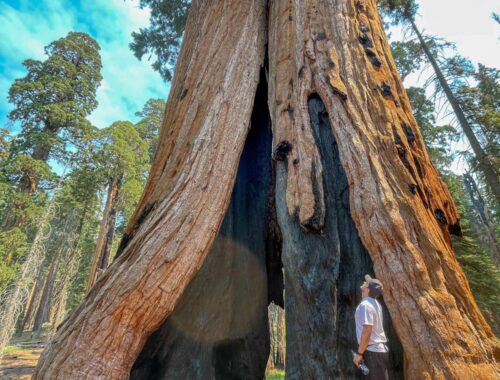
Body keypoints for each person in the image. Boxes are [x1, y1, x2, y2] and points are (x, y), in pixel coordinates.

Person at [353, 274, 389, 379]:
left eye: (366, 283)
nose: (364, 283)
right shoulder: (375, 304)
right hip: (377, 350)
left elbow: (367, 331)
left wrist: (359, 353)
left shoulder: (365, 306)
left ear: (367, 289)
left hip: (373, 353)